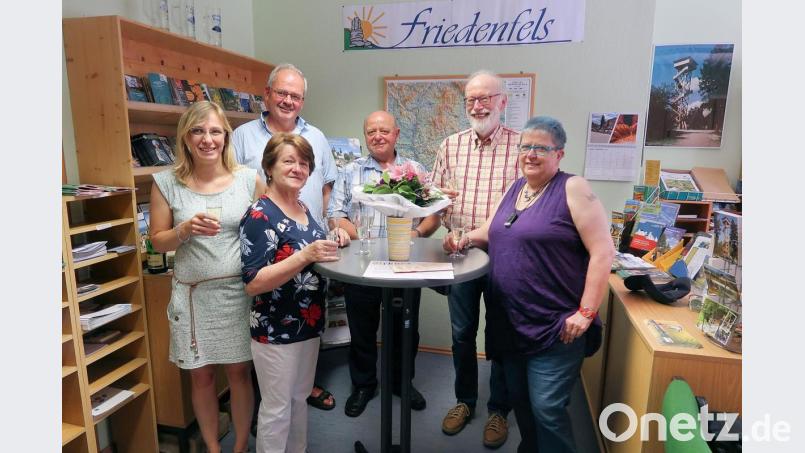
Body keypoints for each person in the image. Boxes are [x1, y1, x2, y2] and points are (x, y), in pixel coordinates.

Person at [445, 116, 615, 453]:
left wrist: (585, 312)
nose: (531, 154)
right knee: (520, 402)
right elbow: (488, 232)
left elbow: (603, 252)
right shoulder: (514, 189)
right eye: (526, 147)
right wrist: (461, 238)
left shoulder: (573, 188)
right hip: (510, 323)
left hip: (555, 324)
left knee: (547, 408)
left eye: (541, 148)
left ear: (559, 154)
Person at [149, 101, 265, 453]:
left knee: (239, 374)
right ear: (185, 137)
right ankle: (214, 448)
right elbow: (157, 240)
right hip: (193, 298)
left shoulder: (247, 179)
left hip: (237, 295)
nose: (207, 139)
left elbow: (266, 231)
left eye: (215, 131)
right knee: (200, 376)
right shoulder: (166, 183)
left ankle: (241, 444)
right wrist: (183, 230)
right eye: (198, 131)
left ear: (226, 137)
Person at [232, 62, 339, 411]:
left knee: (294, 396)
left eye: (296, 95)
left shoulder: (317, 138)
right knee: (277, 404)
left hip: (306, 301)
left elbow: (326, 191)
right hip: (270, 286)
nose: (288, 100)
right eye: (282, 93)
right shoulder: (242, 138)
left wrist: (322, 230)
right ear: (267, 95)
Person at [327, 111, 441, 417]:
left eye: (384, 130)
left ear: (396, 134)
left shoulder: (414, 169)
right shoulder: (349, 170)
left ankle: (402, 383)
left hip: (405, 267)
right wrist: (369, 240)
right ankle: (364, 385)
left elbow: (434, 213)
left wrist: (413, 235)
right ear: (365, 135)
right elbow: (335, 214)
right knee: (362, 330)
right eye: (371, 131)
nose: (378, 136)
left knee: (405, 329)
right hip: (361, 265)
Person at [240, 132, 348, 453]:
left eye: (304, 163)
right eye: (289, 161)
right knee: (276, 409)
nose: (298, 168)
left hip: (308, 323)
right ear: (269, 167)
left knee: (299, 400)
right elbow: (253, 281)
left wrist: (335, 235)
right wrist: (305, 255)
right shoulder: (260, 215)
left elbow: (312, 246)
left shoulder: (301, 206)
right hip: (276, 329)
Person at [430, 70, 520, 448]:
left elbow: (527, 205)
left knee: (501, 336)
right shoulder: (450, 146)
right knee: (462, 333)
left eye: (486, 98)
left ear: (503, 101)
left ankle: (499, 409)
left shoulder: (522, 147)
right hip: (460, 256)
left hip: (505, 258)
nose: (478, 106)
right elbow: (433, 200)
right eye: (471, 99)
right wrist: (437, 200)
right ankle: (465, 401)